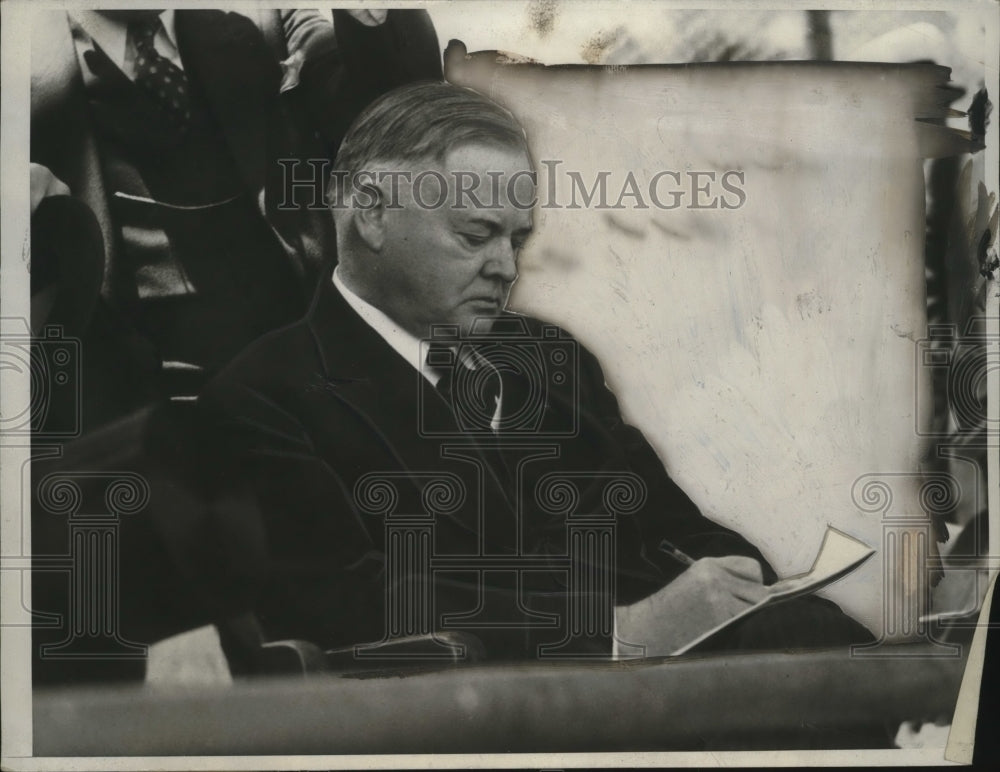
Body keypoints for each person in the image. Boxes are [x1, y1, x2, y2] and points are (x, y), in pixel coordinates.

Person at [199, 81, 872, 662]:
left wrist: (748, 582)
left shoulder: (551, 357)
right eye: (475, 236)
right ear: (371, 213)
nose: (506, 268)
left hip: (683, 680)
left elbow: (666, 520)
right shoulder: (262, 398)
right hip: (502, 715)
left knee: (822, 638)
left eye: (517, 240)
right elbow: (350, 603)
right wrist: (618, 632)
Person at [30, 8, 442, 422]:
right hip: (132, 408)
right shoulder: (24, 52)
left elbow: (394, 105)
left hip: (294, 378)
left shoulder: (265, 18)